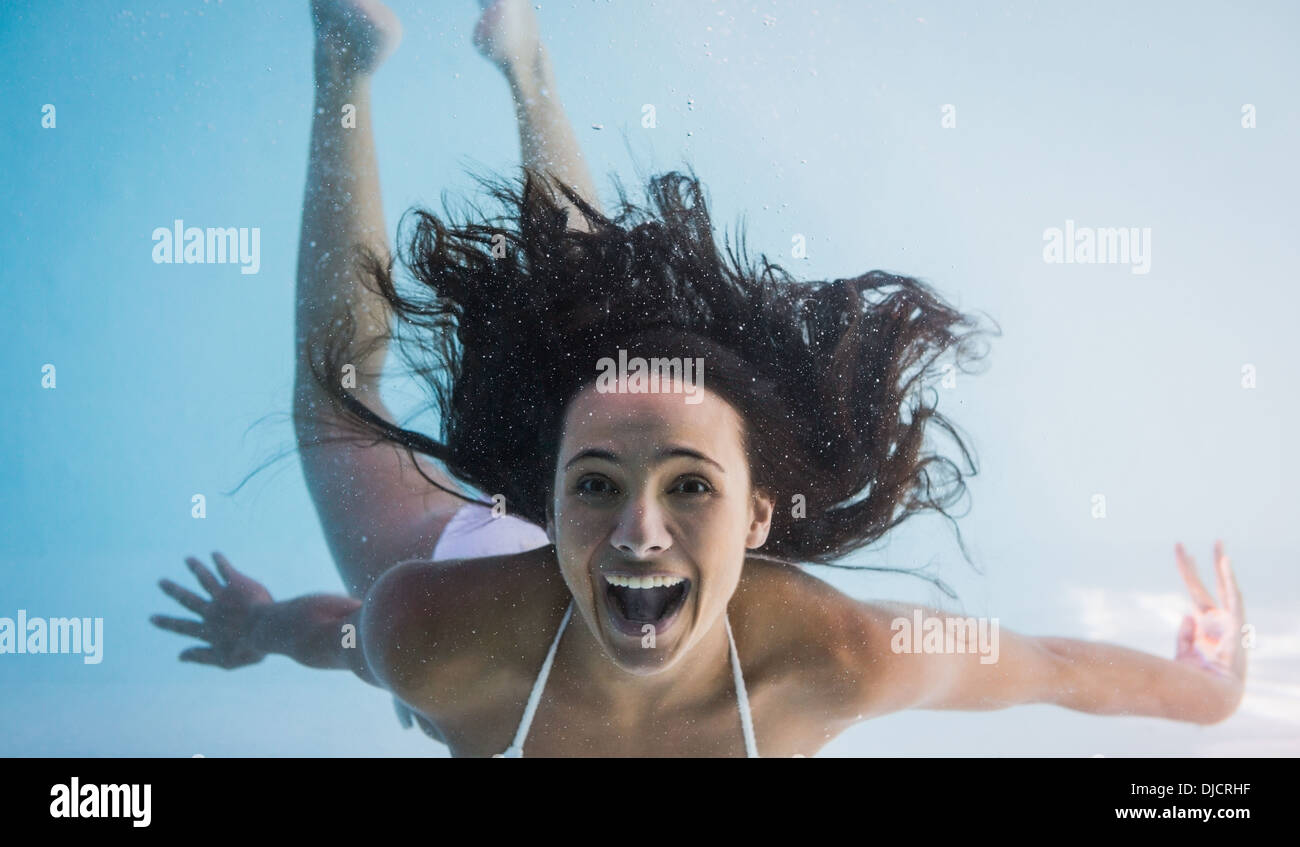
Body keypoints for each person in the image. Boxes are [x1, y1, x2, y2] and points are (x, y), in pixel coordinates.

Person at [151, 0, 1248, 757]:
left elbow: (1046, 663)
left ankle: (486, 63)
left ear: (760, 510)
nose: (638, 530)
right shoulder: (438, 630)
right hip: (491, 586)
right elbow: (338, 635)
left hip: (518, 599)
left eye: (690, 482)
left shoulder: (842, 652)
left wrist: (1209, 692)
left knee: (453, 360)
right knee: (346, 387)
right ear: (543, 499)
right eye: (593, 485)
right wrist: (257, 630)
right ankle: (368, 60)